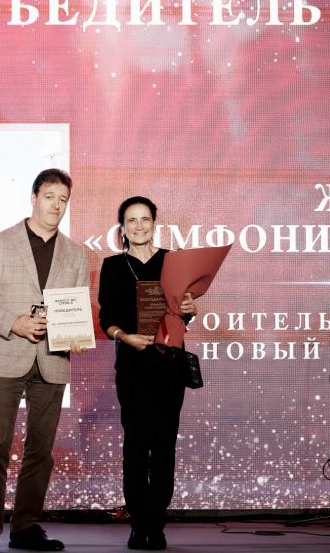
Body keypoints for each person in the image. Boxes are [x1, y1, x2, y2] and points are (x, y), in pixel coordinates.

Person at [0, 169, 89, 553]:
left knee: (41, 451)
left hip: (53, 359)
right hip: (6, 355)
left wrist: (77, 333)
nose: (56, 205)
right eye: (49, 196)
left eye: (63, 199)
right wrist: (12, 323)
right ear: (34, 198)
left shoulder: (76, 253)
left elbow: (76, 306)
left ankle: (26, 527)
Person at [97, 196, 197, 550]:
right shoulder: (112, 266)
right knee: (137, 446)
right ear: (122, 227)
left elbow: (183, 312)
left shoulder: (173, 262)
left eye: (144, 219)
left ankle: (157, 523)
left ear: (155, 222)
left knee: (164, 446)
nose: (138, 226)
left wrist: (190, 307)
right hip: (132, 368)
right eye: (131, 220)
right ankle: (138, 523)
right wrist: (124, 337)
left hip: (169, 367)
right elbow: (106, 318)